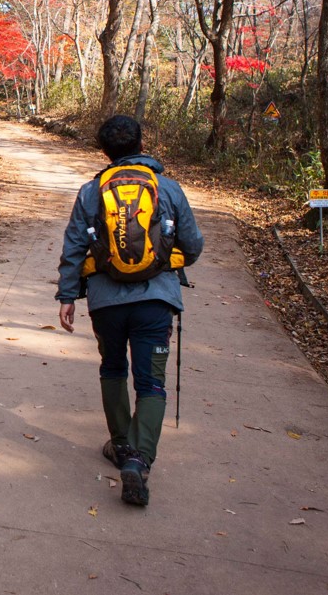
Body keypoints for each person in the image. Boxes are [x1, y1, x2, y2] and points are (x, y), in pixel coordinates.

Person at [56, 115, 203, 506]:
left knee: (113, 368)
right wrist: (169, 260)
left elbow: (73, 248)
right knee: (151, 381)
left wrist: (67, 296)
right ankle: (138, 459)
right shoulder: (167, 189)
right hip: (156, 301)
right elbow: (194, 244)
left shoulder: (91, 192)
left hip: (106, 301)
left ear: (104, 152)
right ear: (142, 143)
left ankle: (121, 444)